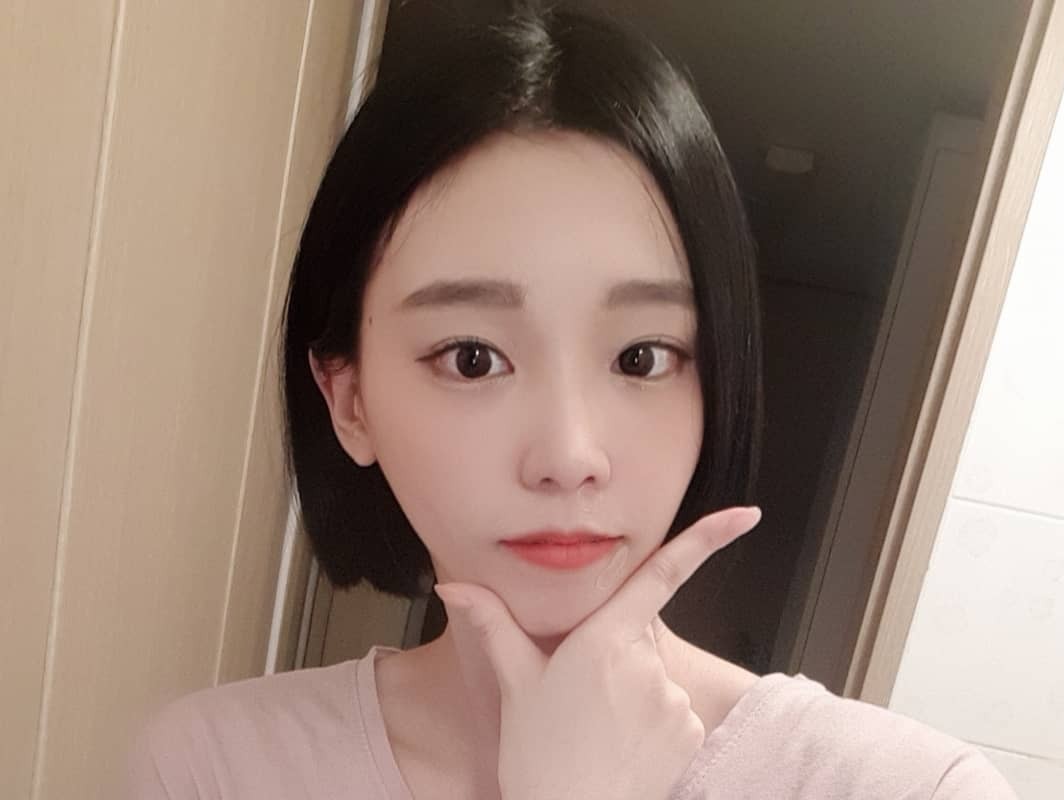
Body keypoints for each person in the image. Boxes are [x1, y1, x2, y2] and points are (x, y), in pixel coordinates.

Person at [127, 3, 1017, 798]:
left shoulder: (912, 790)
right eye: (472, 359)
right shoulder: (210, 769)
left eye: (641, 357)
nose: (568, 455)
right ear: (349, 400)